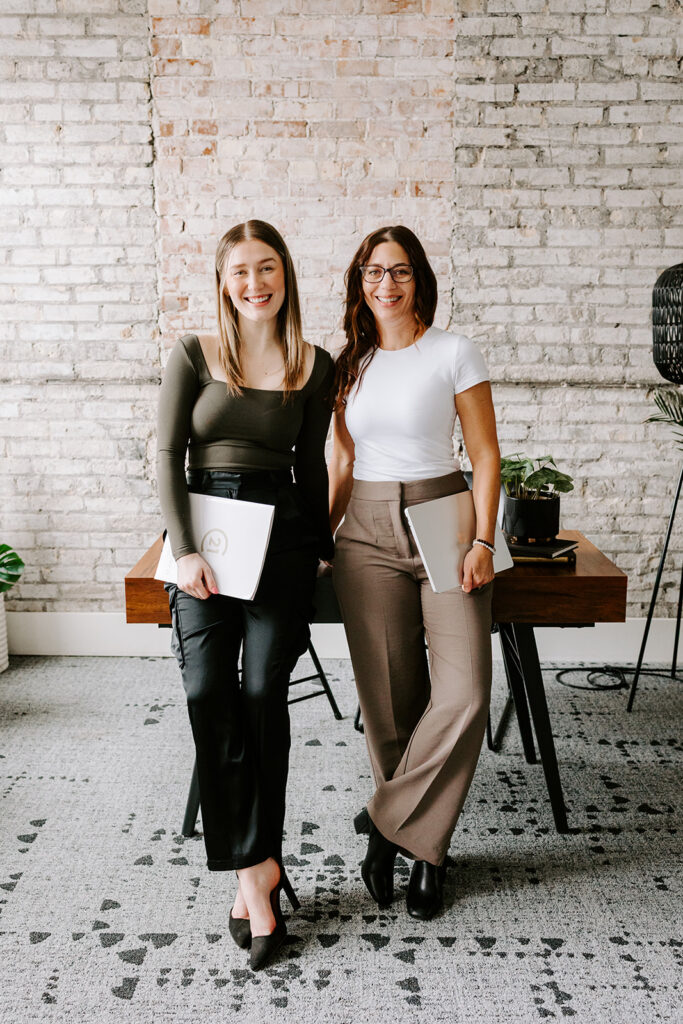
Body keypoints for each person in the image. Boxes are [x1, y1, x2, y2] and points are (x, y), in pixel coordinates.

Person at [157, 220, 334, 969]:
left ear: (285, 275)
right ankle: (256, 864)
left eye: (266, 268)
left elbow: (312, 466)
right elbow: (165, 452)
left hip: (280, 534)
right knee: (206, 687)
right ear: (222, 282)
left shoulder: (312, 363)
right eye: (239, 272)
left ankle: (254, 885)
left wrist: (321, 547)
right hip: (204, 530)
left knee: (263, 689)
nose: (254, 283)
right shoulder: (194, 353)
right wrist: (185, 549)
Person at [329, 225, 500, 920]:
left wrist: (484, 540)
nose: (386, 285)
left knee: (463, 693)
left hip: (442, 513)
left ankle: (386, 826)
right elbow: (339, 461)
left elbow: (485, 455)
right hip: (363, 528)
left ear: (418, 279)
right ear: (359, 283)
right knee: (389, 705)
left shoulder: (452, 351)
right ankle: (427, 852)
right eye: (373, 273)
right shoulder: (350, 362)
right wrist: (320, 532)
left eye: (398, 272)